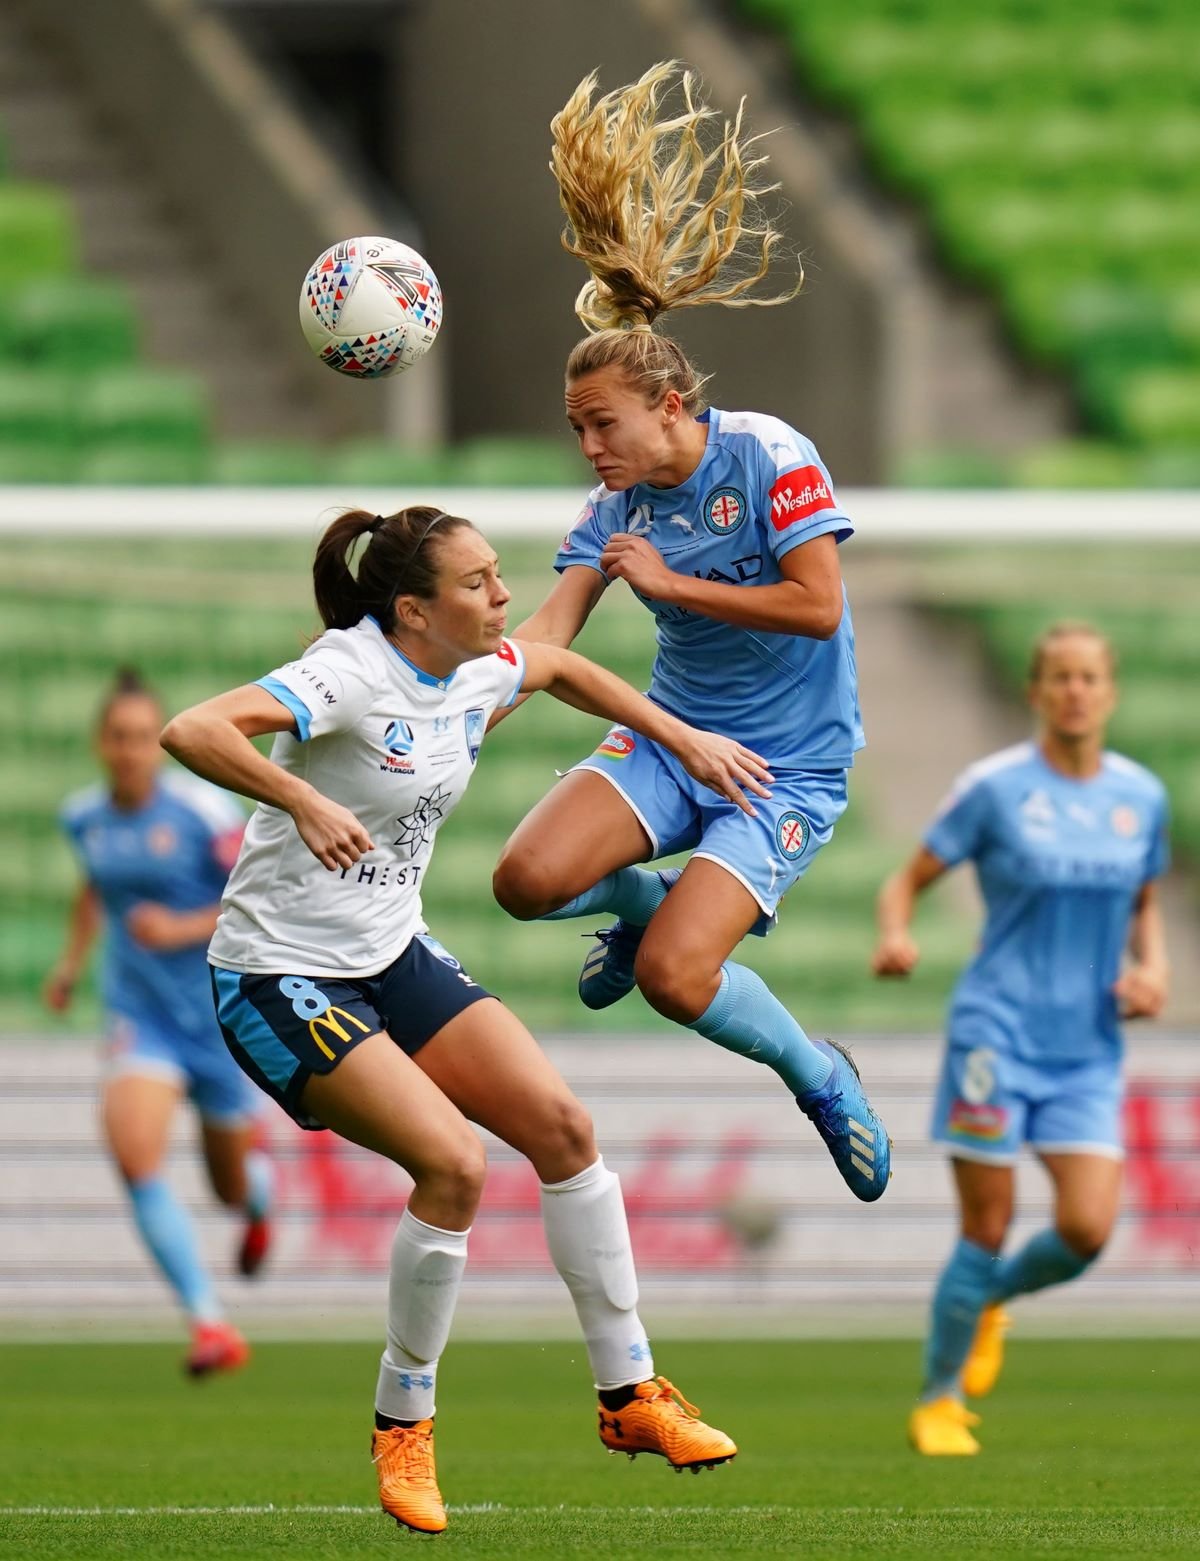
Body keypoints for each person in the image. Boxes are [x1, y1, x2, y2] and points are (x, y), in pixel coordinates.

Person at [160, 504, 766, 1535]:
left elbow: (564, 670)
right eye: (480, 582)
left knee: (566, 1132)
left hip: (390, 953)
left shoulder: (473, 667)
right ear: (413, 609)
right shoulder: (350, 672)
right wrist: (297, 797)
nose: (501, 597)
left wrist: (680, 736)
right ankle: (404, 1424)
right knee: (453, 1166)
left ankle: (629, 1394)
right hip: (278, 975)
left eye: (500, 576)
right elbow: (194, 728)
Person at [490, 61, 890, 1201]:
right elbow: (549, 637)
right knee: (524, 879)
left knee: (675, 978)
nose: (589, 449)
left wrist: (673, 588)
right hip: (672, 741)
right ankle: (638, 895)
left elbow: (818, 606)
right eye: (575, 430)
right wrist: (446, 701)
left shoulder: (770, 454)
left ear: (669, 405)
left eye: (601, 424)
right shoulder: (614, 510)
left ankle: (819, 1075)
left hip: (786, 770)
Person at [872, 622, 1170, 1455]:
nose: (1075, 691)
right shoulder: (995, 787)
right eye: (1061, 678)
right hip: (995, 1035)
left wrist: (1153, 969)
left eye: (1090, 678)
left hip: (1088, 1046)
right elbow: (908, 879)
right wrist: (897, 933)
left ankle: (988, 1299)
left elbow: (1145, 900)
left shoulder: (1141, 796)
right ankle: (938, 1399)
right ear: (1037, 691)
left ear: (1109, 693)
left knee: (1086, 1229)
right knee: (987, 1223)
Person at [46, 668, 273, 1378]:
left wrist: (178, 925)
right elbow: (95, 886)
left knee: (228, 1187)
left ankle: (259, 1194)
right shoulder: (84, 816)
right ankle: (210, 1322)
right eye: (118, 736)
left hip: (214, 1018)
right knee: (136, 1154)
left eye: (144, 736)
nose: (131, 749)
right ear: (100, 743)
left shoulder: (202, 812)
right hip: (138, 1017)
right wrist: (71, 963)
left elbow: (256, 890)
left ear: (158, 740)